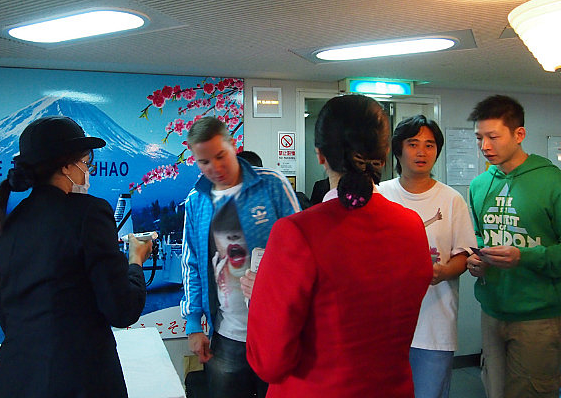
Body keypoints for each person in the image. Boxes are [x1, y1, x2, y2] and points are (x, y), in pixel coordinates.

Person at [246, 94, 433, 397]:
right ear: (385, 154)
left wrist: (261, 296)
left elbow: (270, 362)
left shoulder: (298, 232)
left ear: (320, 155)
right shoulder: (411, 226)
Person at [0, 116, 152, 398]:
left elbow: (6, 315)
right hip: (76, 381)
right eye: (86, 163)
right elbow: (122, 309)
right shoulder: (89, 213)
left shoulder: (4, 226)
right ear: (66, 165)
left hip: (12, 380)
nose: (88, 171)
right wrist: (135, 262)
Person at [180, 116, 300, 398]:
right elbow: (192, 263)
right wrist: (194, 322)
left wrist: (274, 285)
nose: (215, 168)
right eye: (204, 162)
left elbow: (302, 249)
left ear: (233, 145)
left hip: (278, 330)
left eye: (221, 156)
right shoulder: (197, 200)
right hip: (227, 335)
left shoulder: (271, 184)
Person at [465, 95, 561, 398]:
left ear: (519, 134)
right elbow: (479, 236)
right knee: (494, 390)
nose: (484, 146)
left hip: (538, 316)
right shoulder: (479, 185)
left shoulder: (552, 182)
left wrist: (524, 257)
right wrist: (475, 259)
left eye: (493, 137)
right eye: (479, 138)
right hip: (492, 310)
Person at [378, 115, 477, 398]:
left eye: (429, 145)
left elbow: (463, 254)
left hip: (434, 324)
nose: (422, 152)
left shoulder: (451, 199)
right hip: (384, 324)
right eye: (413, 144)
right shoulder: (380, 194)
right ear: (398, 150)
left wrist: (443, 272)